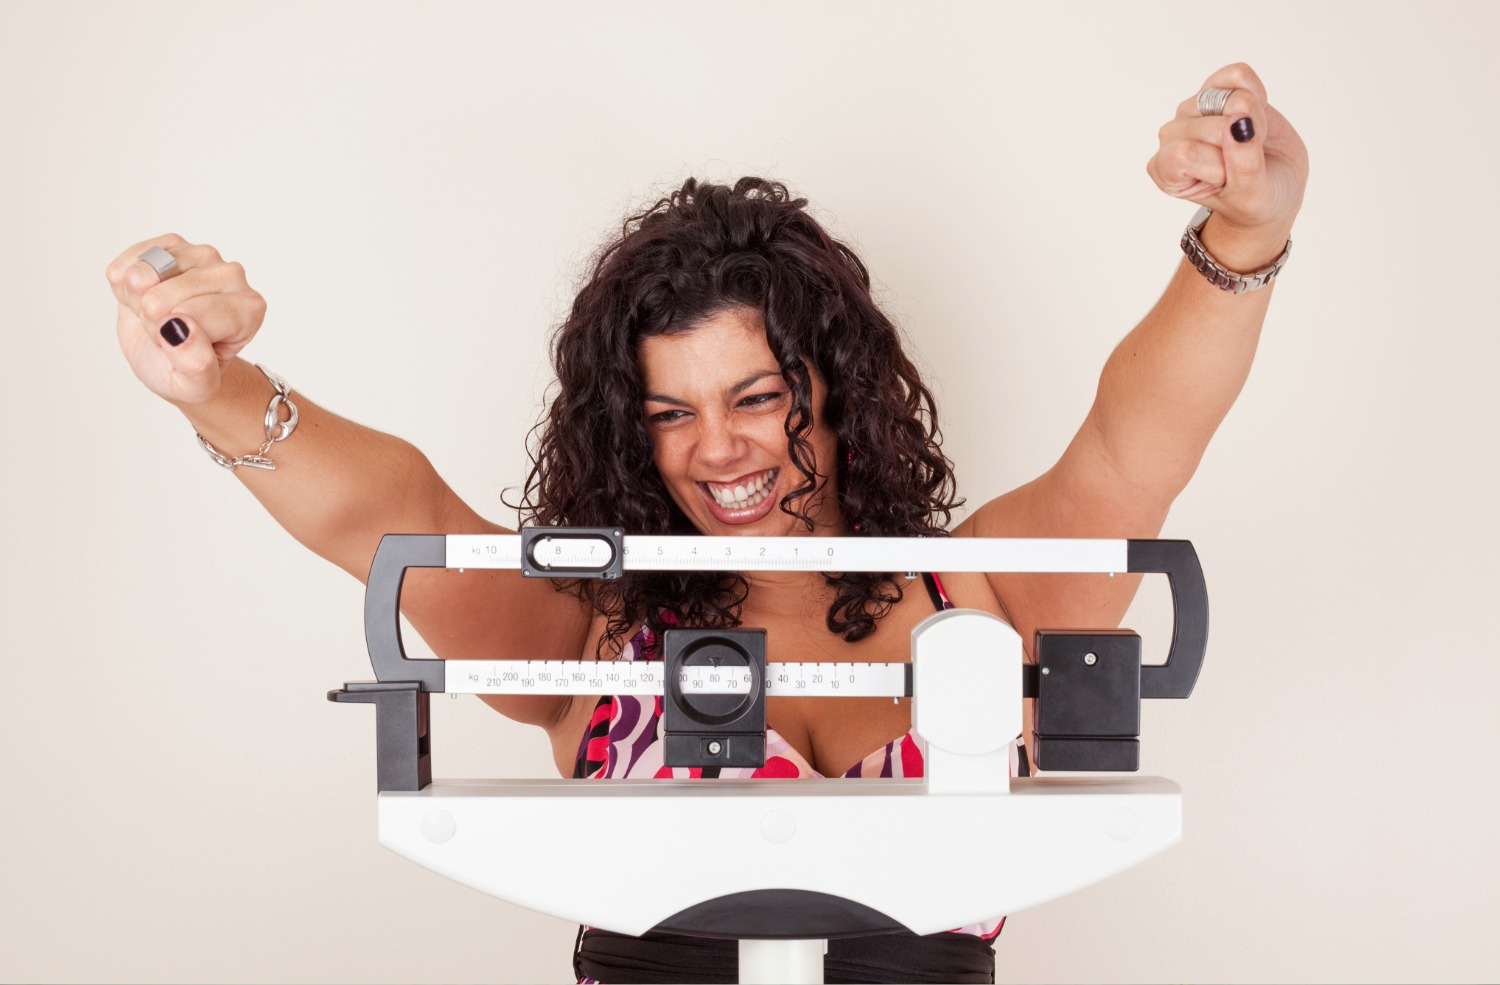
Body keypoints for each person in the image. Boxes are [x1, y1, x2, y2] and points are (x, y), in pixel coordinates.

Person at [106, 63, 1306, 985]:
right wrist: (215, 384)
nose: (715, 448)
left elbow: (1133, 442)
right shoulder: (591, 630)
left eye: (758, 396)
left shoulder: (983, 597)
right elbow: (396, 510)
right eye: (671, 411)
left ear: (837, 386)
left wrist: (1243, 234)